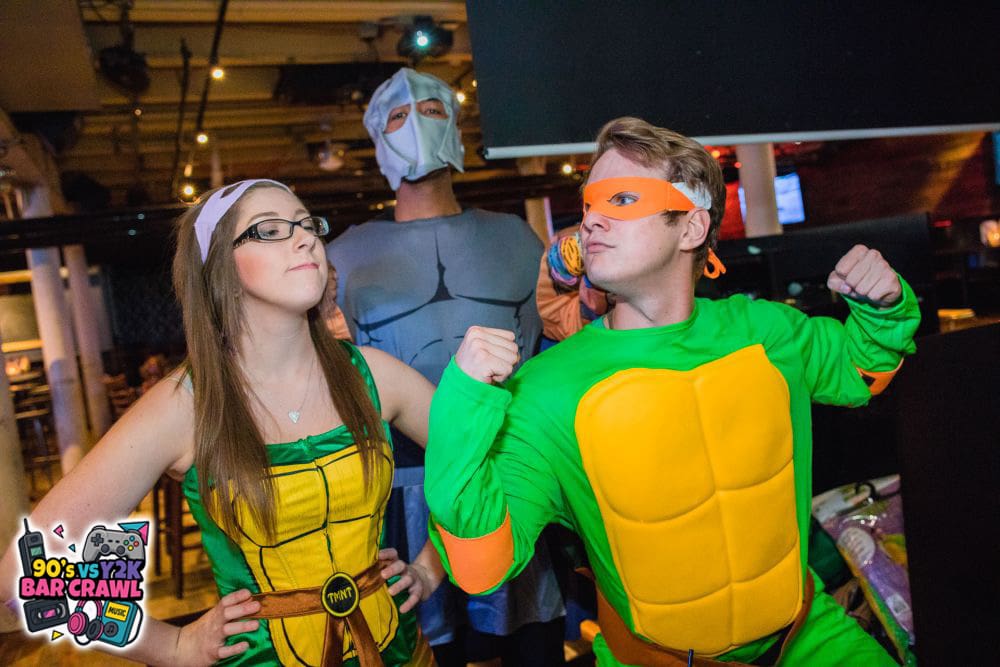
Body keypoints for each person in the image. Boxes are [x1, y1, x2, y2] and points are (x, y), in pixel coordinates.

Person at [424, 117, 920, 666]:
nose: (590, 221)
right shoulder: (542, 390)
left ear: (691, 227)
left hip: (807, 639)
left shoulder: (769, 333)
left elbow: (862, 369)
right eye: (588, 205)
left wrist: (882, 305)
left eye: (623, 199)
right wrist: (461, 406)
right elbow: (480, 567)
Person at [1, 179, 442, 666]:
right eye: (269, 230)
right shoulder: (184, 408)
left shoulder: (373, 375)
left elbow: (484, 464)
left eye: (307, 225)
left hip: (401, 653)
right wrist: (172, 646)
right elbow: (23, 575)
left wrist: (430, 568)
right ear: (219, 269)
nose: (304, 239)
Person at [327, 68, 566, 666]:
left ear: (456, 125)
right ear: (378, 139)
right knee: (424, 649)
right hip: (396, 489)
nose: (417, 124)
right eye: (398, 116)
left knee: (529, 640)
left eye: (433, 110)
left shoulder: (515, 239)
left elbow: (543, 357)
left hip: (504, 475)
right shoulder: (342, 258)